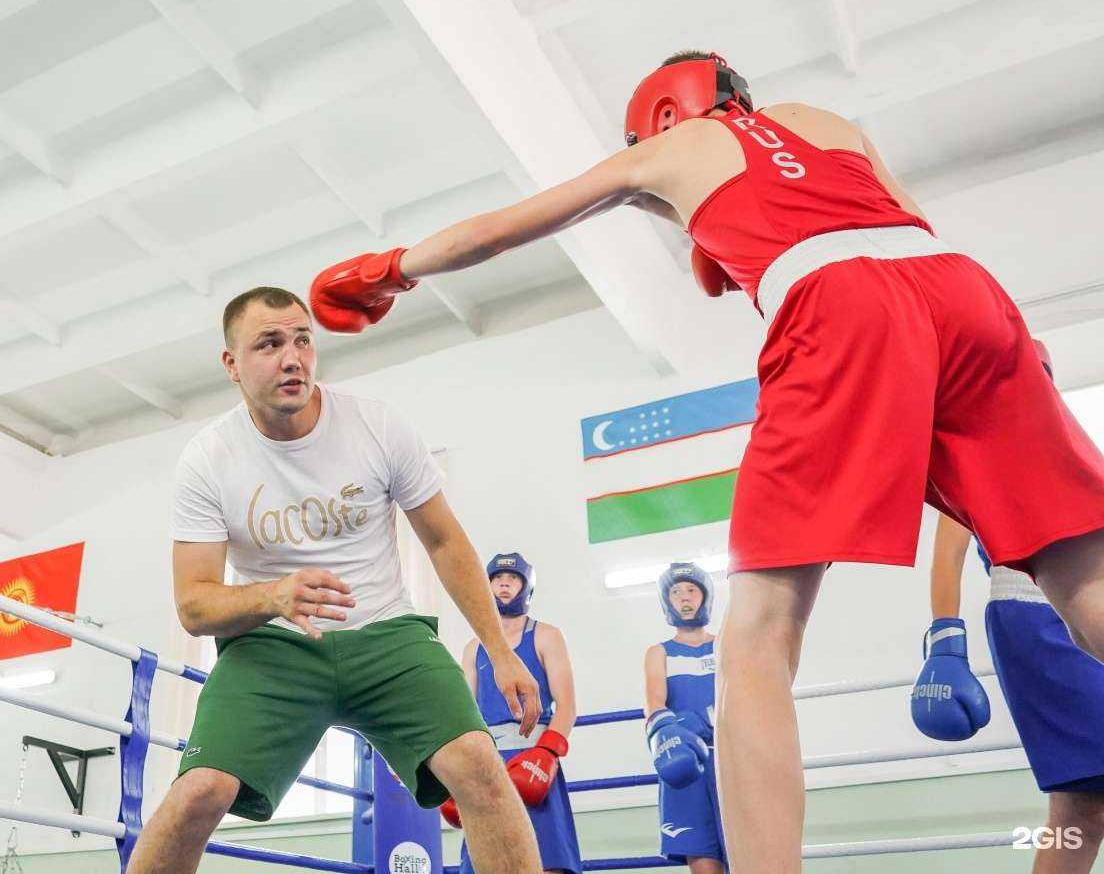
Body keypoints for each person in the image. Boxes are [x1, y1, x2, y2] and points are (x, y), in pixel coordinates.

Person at [307, 51, 1104, 873]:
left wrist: (390, 271)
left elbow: (500, 228)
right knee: (1088, 591)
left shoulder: (675, 146)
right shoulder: (826, 123)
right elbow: (906, 228)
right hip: (972, 298)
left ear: (660, 118)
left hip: (840, 306)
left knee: (755, 642)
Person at [125, 286, 545, 874]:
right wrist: (274, 595)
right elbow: (194, 605)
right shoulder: (209, 457)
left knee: (479, 764)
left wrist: (500, 652)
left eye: (302, 339)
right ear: (231, 364)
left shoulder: (375, 425)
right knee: (199, 792)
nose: (292, 357)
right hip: (271, 646)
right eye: (269, 344)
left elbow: (446, 541)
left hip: (388, 635)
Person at [916, 339, 1104, 874]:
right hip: (1036, 618)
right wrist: (945, 643)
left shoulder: (1073, 447)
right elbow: (945, 559)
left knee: (1083, 810)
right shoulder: (973, 455)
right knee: (1079, 805)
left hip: (1081, 611)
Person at [447, 553, 583, 874]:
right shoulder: (473, 648)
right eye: (497, 579)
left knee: (546, 863)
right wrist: (456, 773)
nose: (504, 584)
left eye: (513, 579)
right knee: (485, 863)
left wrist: (547, 753)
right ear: (486, 587)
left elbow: (567, 706)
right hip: (489, 764)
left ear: (526, 587)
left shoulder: (547, 635)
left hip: (534, 756)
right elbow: (467, 716)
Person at [644, 563, 725, 873]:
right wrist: (671, 729)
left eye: (691, 589)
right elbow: (653, 703)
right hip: (687, 761)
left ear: (705, 596)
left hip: (730, 758)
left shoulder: (725, 643)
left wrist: (711, 717)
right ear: (668, 602)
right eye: (676, 592)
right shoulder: (659, 652)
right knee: (703, 861)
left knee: (748, 855)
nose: (685, 598)